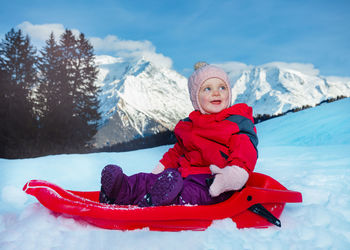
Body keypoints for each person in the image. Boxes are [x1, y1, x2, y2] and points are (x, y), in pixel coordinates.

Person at [99, 62, 258, 207]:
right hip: (181, 176)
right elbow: (177, 153)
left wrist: (232, 176)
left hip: (215, 183)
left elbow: (245, 152)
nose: (216, 93)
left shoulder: (236, 123)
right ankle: (121, 190)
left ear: (229, 92)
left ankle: (163, 200)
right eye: (207, 89)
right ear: (196, 98)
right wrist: (158, 172)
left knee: (188, 192)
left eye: (222, 88)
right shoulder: (190, 125)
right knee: (147, 180)